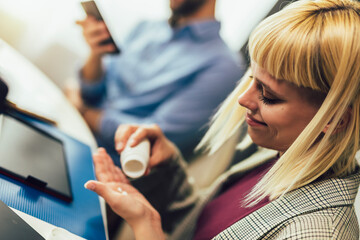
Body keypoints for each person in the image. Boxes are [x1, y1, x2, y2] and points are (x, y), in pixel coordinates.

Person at [84, 0, 360, 239]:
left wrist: (146, 229)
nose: (243, 100)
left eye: (269, 96)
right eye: (252, 80)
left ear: (334, 121)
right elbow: (204, 227)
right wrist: (166, 172)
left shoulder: (319, 233)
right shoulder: (278, 160)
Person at [72, 0, 245, 162]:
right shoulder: (146, 27)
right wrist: (96, 54)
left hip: (104, 161)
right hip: (74, 128)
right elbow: (91, 93)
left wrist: (83, 112)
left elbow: (150, 137)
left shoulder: (224, 67)